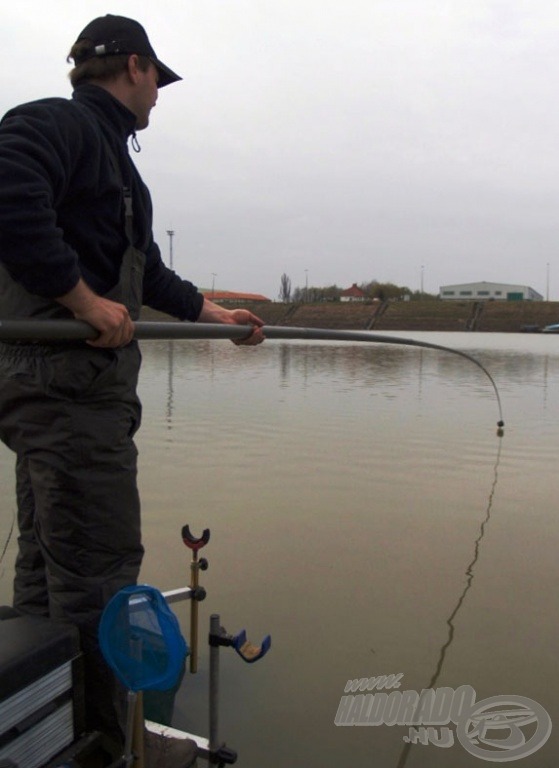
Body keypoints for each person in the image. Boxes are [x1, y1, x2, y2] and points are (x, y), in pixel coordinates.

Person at [0, 13, 264, 765]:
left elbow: (139, 268)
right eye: (158, 82)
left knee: (50, 570)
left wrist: (210, 315)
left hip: (56, 397)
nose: (160, 98)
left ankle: (40, 734)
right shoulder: (62, 125)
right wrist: (81, 300)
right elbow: (7, 189)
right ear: (135, 68)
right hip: (69, 394)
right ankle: (100, 751)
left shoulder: (112, 162)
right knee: (98, 578)